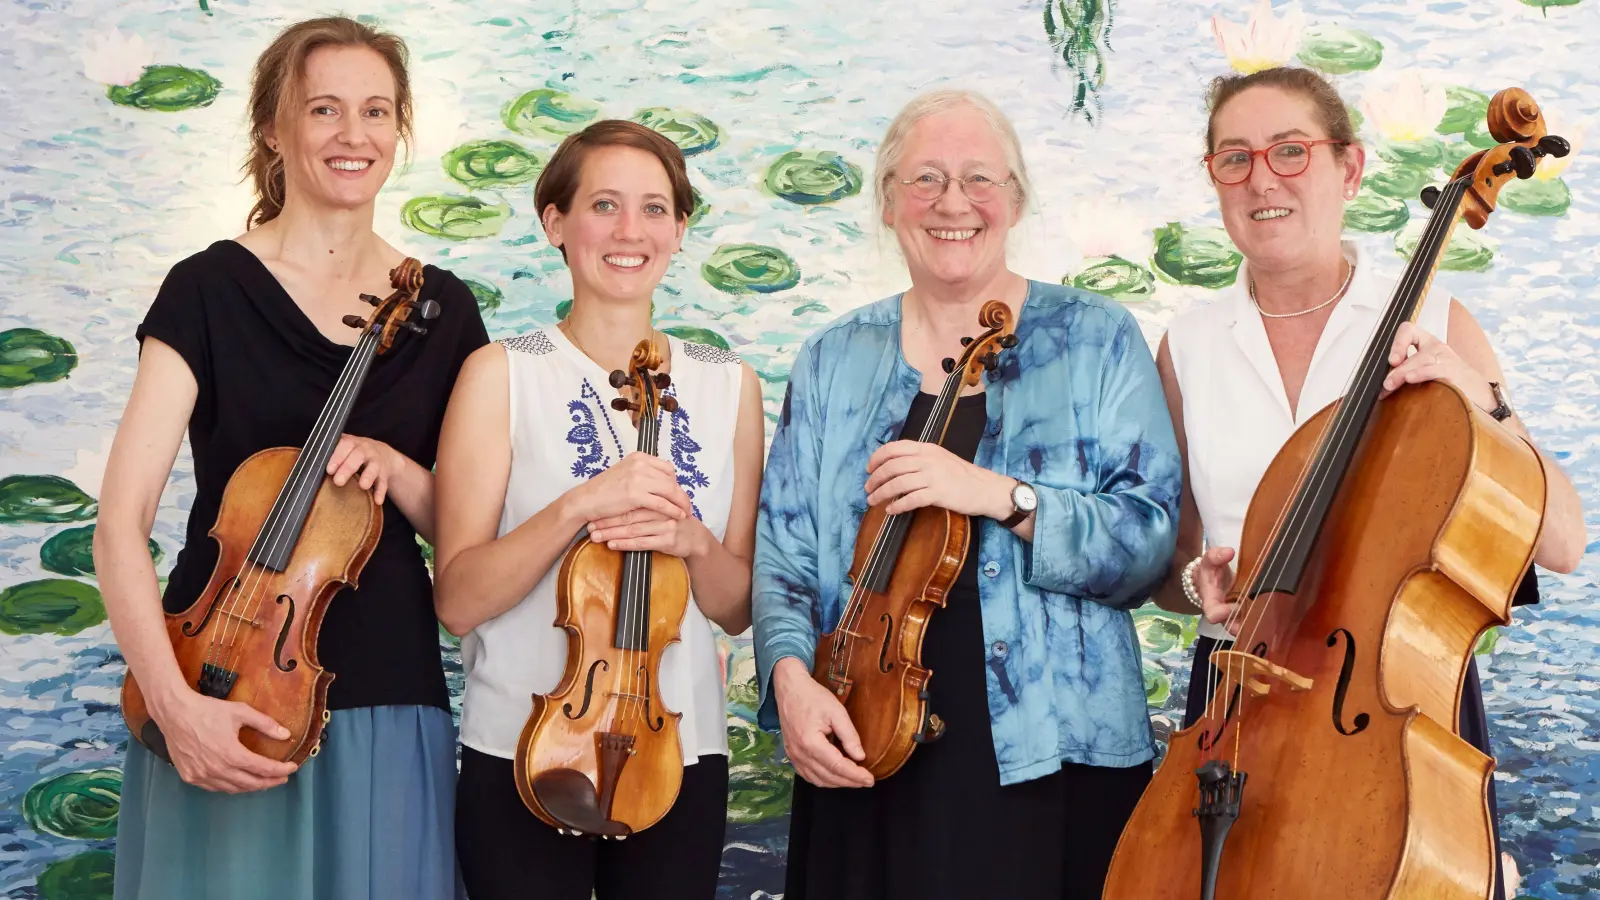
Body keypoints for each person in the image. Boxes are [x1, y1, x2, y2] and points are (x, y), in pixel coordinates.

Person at [1151, 66, 1588, 900]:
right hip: (1239, 706)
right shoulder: (1189, 344)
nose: (1262, 178)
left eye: (1290, 151)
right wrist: (1192, 584)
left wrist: (1477, 396)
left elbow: (1562, 540)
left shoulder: (1436, 319)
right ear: (1213, 178)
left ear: (1349, 170)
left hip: (1392, 706)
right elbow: (1177, 569)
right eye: (1233, 158)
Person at [751, 89, 1182, 900]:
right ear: (887, 203)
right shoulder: (831, 358)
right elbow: (783, 557)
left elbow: (1148, 543)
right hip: (865, 738)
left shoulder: (1094, 338)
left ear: (1015, 199)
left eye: (980, 178)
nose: (954, 202)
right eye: (926, 180)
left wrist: (1000, 494)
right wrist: (791, 682)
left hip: (1054, 752)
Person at [95, 16, 488, 900]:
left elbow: (469, 534)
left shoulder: (444, 312)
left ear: (401, 130)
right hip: (218, 686)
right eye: (324, 110)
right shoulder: (206, 288)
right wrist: (173, 704)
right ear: (273, 129)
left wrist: (396, 466)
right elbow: (118, 528)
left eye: (377, 112)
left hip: (387, 688)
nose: (354, 136)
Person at [432, 119, 765, 900]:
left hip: (675, 747)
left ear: (680, 230)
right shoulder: (501, 373)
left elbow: (739, 607)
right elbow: (458, 600)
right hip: (521, 740)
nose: (630, 231)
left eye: (655, 209)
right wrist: (580, 505)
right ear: (556, 222)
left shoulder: (729, 385)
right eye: (604, 204)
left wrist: (689, 539)